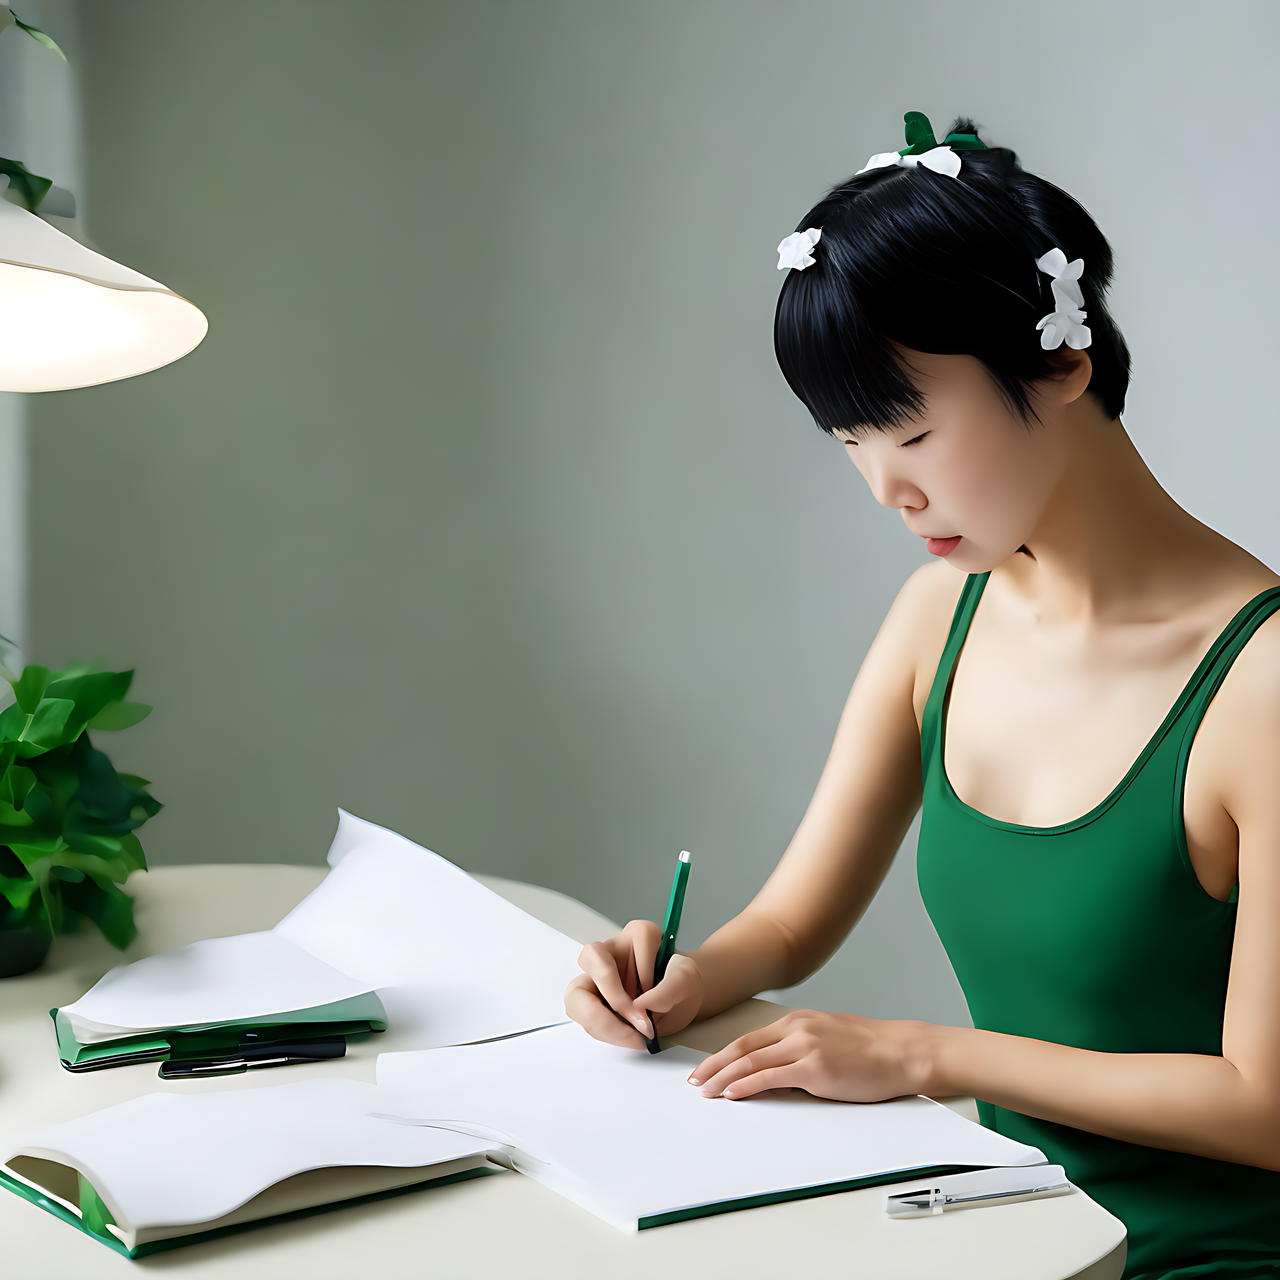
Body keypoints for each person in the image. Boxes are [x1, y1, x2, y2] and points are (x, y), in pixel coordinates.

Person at [563, 114, 1280, 1279]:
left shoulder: (1261, 684)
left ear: (1057, 365)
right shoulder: (935, 619)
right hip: (1010, 1237)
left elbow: (1264, 1105)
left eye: (910, 428)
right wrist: (683, 978)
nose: (886, 489)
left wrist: (931, 1056)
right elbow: (793, 923)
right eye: (849, 441)